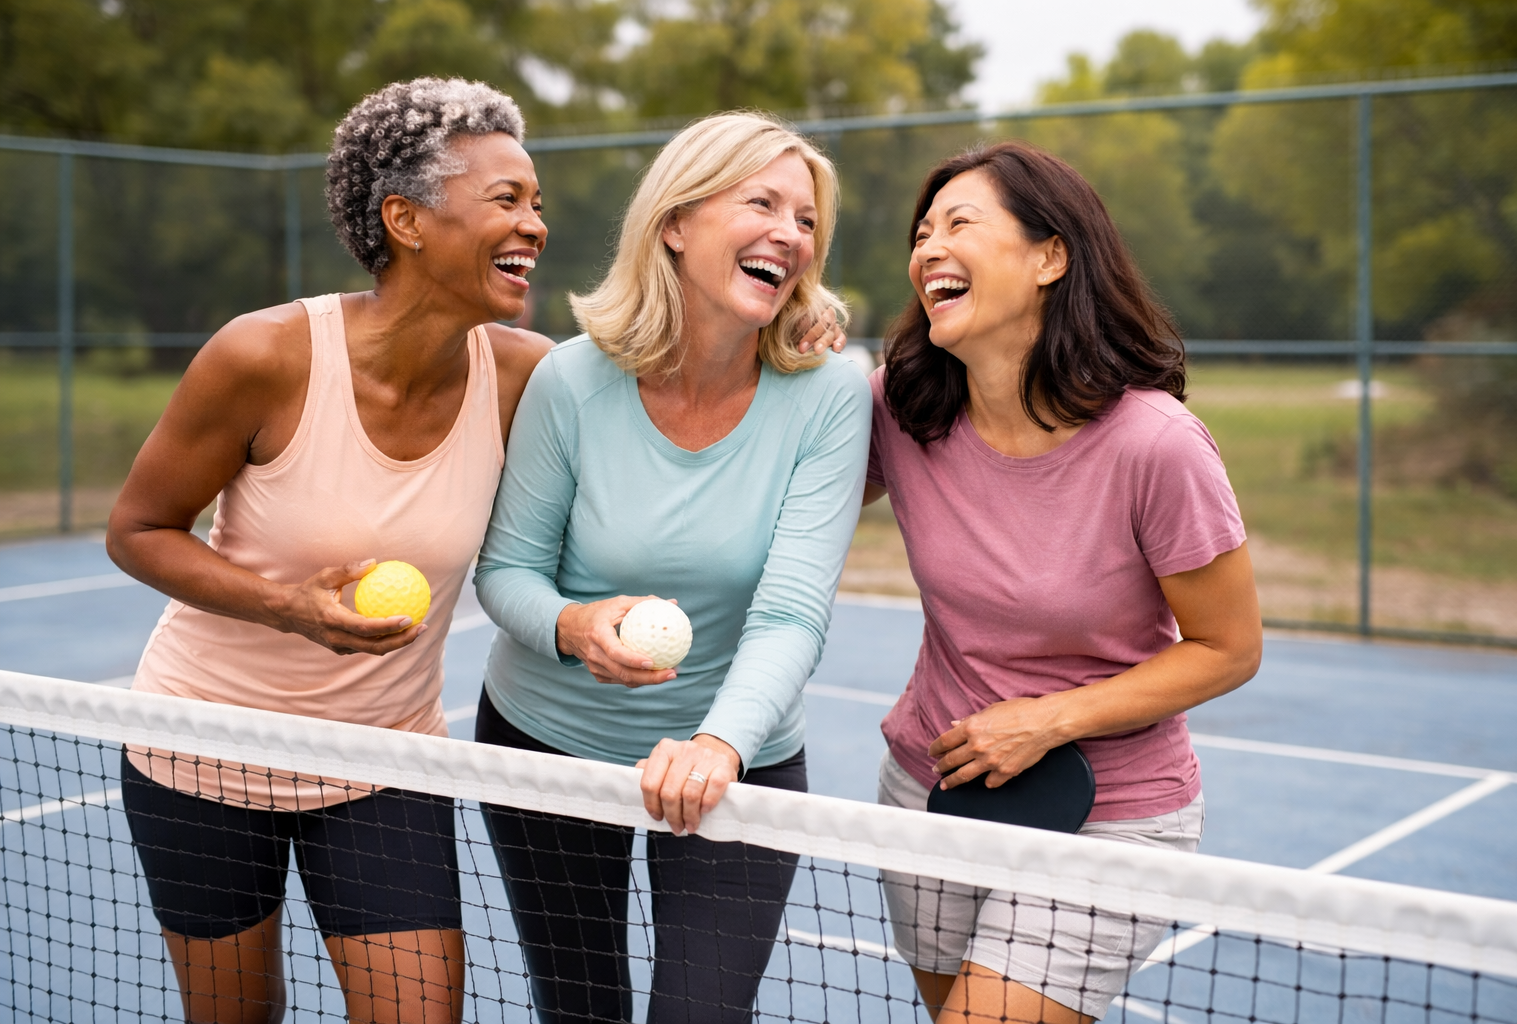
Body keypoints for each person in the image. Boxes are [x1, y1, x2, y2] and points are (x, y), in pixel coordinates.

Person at [104, 79, 844, 1024]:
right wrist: (289, 607)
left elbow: (677, 393)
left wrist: (786, 318)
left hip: (385, 765)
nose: (535, 222)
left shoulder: (525, 372)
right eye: (507, 199)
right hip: (204, 750)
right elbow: (137, 530)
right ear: (407, 220)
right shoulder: (266, 355)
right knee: (239, 1013)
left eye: (537, 201)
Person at [472, 111, 871, 1024]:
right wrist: (574, 626)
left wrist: (716, 747)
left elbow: (791, 614)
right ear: (677, 222)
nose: (790, 234)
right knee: (581, 1010)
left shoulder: (831, 396)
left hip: (737, 760)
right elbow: (508, 571)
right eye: (761, 203)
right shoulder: (571, 380)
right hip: (546, 744)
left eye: (807, 220)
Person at [864, 141, 1264, 1024]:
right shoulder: (901, 407)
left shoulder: (1156, 444)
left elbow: (1229, 649)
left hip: (1108, 817)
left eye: (959, 224)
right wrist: (795, 352)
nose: (929, 248)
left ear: (1050, 256)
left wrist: (1045, 721)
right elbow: (768, 485)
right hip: (932, 793)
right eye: (921, 234)